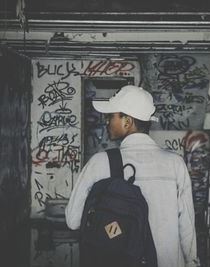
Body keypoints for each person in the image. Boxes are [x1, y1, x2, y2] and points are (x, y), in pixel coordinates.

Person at [65, 85, 200, 267]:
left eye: (111, 116)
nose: (107, 122)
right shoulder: (175, 164)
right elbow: (187, 230)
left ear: (127, 121)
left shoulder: (100, 163)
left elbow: (73, 221)